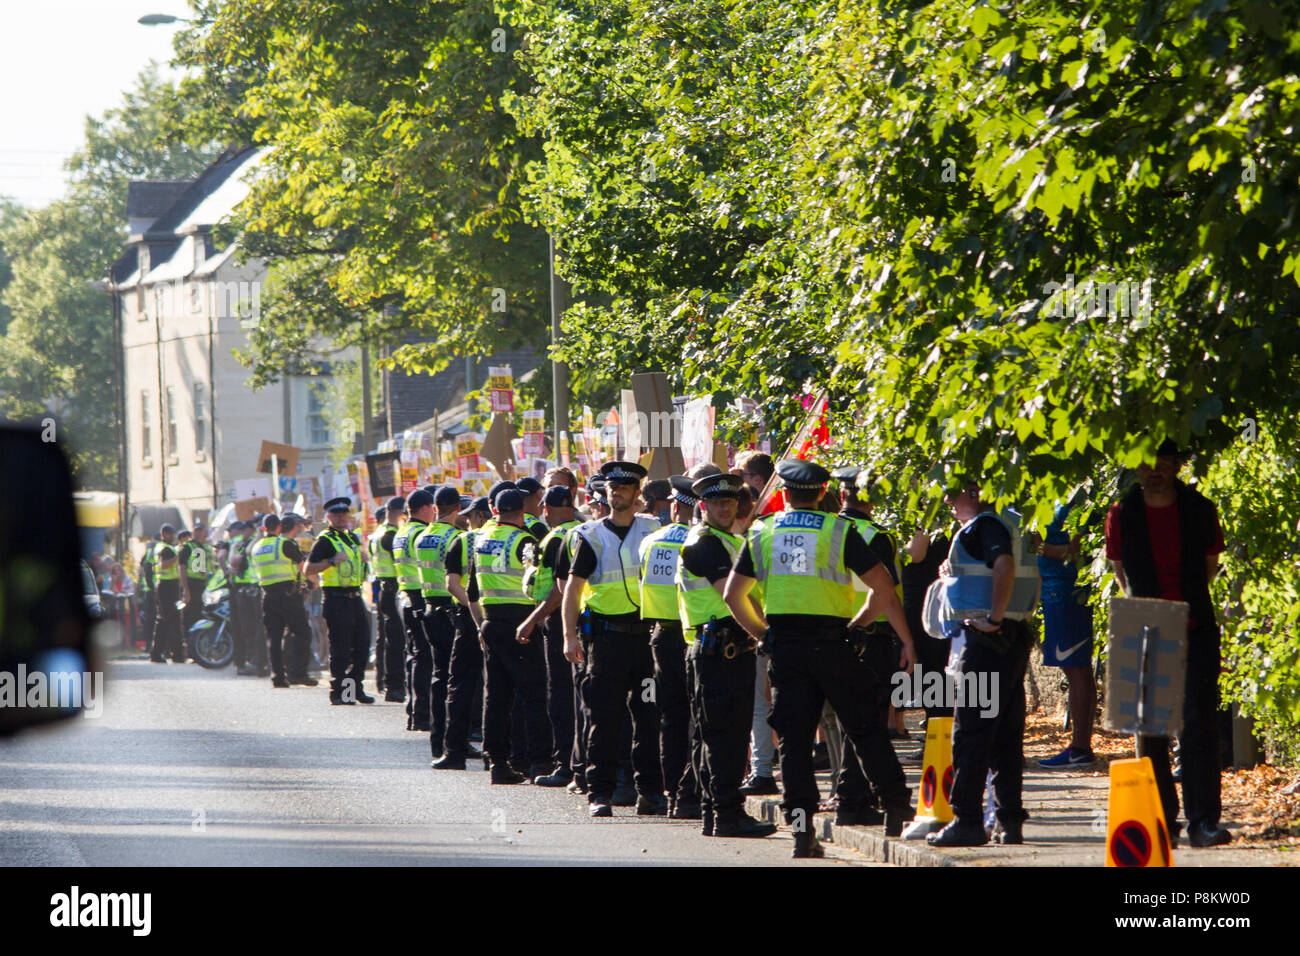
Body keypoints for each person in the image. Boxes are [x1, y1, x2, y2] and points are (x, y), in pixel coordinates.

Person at [724, 459, 918, 858]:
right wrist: (859, 624)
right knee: (864, 727)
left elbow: (732, 595)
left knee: (794, 743)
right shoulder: (839, 530)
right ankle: (896, 806)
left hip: (787, 649)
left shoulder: (764, 531)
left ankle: (801, 833)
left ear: (785, 493)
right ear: (822, 493)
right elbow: (882, 588)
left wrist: (762, 635)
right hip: (834, 644)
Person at [1105, 440, 1231, 848]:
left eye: (1163, 464)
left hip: (1195, 625)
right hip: (1143, 625)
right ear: (1137, 469)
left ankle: (1203, 821)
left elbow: (1210, 568)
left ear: (1176, 467)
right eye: (1147, 465)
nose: (1155, 471)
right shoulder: (1121, 513)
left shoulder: (1200, 509)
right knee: (1151, 731)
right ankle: (1161, 819)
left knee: (1198, 724)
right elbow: (1120, 571)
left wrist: (1180, 606)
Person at [925, 480, 1040, 848]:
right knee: (1006, 734)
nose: (947, 499)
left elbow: (1003, 566)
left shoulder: (985, 526)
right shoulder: (1011, 522)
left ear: (975, 491)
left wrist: (992, 616)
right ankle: (1008, 820)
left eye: (953, 491)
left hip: (985, 642)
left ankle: (968, 820)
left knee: (971, 732)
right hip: (1010, 639)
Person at [561, 460, 665, 818]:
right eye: (611, 488)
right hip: (606, 642)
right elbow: (572, 592)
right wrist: (569, 637)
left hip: (645, 642)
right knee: (603, 719)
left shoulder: (653, 530)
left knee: (648, 717)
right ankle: (600, 793)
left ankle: (650, 792)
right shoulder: (591, 535)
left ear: (638, 494)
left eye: (624, 488)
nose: (616, 492)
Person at [679, 472, 776, 838]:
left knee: (721, 735)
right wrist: (766, 635)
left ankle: (715, 813)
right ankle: (727, 814)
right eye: (717, 502)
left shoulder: (729, 540)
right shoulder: (705, 543)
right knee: (725, 738)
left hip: (727, 650)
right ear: (703, 505)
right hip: (719, 649)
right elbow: (733, 597)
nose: (724, 507)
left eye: (730, 502)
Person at [831, 466, 906, 826]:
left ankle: (849, 796)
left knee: (849, 722)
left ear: (842, 495)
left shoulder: (829, 531)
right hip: (871, 634)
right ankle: (854, 798)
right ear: (873, 498)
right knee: (868, 722)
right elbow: (887, 594)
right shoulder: (877, 536)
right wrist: (908, 640)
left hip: (834, 634)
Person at [470, 488, 547, 784]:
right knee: (533, 695)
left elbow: (472, 592)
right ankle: (538, 763)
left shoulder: (482, 540)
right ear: (522, 511)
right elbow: (538, 585)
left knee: (496, 697)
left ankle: (497, 763)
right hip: (521, 626)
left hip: (491, 624)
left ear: (496, 511)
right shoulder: (525, 540)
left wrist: (481, 626)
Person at [637, 475, 701, 818]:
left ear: (675, 505)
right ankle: (690, 793)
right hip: (693, 635)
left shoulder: (650, 541)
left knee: (671, 718)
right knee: (699, 716)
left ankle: (673, 792)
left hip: (660, 635)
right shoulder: (701, 541)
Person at [515, 484, 583, 786]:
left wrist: (531, 620)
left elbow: (559, 591)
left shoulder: (556, 539)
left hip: (558, 624)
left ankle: (567, 764)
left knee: (561, 696)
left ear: (547, 509)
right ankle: (576, 765)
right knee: (577, 695)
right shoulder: (583, 532)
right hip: (582, 623)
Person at [1030, 498, 1097, 768]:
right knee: (1074, 668)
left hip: (1068, 590)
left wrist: (1040, 547)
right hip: (1053, 590)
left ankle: (1080, 748)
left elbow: (1077, 550)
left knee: (1077, 668)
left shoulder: (1076, 501)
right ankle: (1079, 747)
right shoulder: (1050, 496)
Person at [434, 495, 491, 770]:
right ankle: (500, 757)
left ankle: (454, 751)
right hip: (505, 619)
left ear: (481, 515)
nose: (465, 521)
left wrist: (474, 612)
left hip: (469, 621)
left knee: (460, 686)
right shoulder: (516, 537)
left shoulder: (464, 541)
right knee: (500, 689)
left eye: (469, 517)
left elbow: (452, 584)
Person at [305, 497, 374, 705]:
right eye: (336, 515)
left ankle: (355, 689)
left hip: (355, 597)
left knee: (362, 646)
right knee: (341, 649)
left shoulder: (351, 538)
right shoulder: (325, 540)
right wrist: (332, 561)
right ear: (329, 517)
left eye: (344, 514)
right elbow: (308, 570)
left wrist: (362, 558)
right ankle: (340, 693)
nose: (341, 518)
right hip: (336, 599)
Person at [414, 486, 465, 759]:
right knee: (456, 679)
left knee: (438, 676)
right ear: (457, 507)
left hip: (429, 609)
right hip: (451, 610)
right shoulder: (456, 536)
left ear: (435, 507)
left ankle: (438, 742)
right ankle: (455, 740)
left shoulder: (423, 536)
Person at [251, 513, 319, 689]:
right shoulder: (285, 543)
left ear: (264, 528)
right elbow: (302, 566)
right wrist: (311, 583)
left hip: (267, 595)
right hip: (287, 595)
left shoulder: (257, 547)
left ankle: (278, 677)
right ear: (279, 527)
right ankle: (298, 673)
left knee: (274, 638)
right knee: (302, 632)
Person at [394, 489, 435, 730]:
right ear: (424, 508)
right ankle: (421, 715)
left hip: (406, 596)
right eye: (432, 507)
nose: (434, 511)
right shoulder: (421, 532)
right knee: (424, 658)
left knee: (414, 656)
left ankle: (414, 712)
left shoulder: (402, 531)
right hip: (420, 597)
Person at [371, 499, 407, 702]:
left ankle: (383, 681)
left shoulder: (377, 533)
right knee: (395, 640)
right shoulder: (391, 535)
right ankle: (394, 686)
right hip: (393, 590)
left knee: (385, 638)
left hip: (384, 588)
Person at [150, 524, 183, 663]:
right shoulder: (164, 548)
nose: (173, 536)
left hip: (168, 585)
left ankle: (157, 654)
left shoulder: (166, 547)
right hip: (166, 586)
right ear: (163, 534)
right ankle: (177, 655)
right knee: (172, 620)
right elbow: (163, 565)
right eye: (169, 534)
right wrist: (177, 558)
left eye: (173, 533)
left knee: (163, 620)